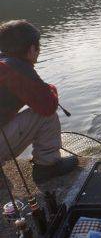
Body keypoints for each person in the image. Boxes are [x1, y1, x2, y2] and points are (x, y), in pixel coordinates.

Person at [0, 20, 78, 183]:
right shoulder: (17, 68)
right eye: (38, 47)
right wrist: (50, 88)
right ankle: (47, 167)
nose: (39, 52)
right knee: (46, 115)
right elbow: (48, 105)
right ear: (31, 49)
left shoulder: (5, 63)